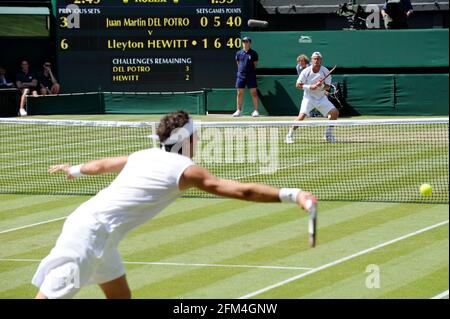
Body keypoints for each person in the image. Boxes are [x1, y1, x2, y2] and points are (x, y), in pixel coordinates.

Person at [32, 111, 317, 299]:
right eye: (196, 136)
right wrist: (293, 195)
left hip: (100, 234)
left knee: (121, 296)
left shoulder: (143, 155)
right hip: (89, 236)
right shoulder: (185, 170)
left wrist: (75, 169)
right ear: (187, 140)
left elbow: (102, 165)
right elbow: (240, 191)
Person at [285, 52, 340, 145]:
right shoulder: (306, 71)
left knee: (335, 113)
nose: (316, 60)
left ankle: (328, 134)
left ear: (321, 60)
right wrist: (310, 87)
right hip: (308, 98)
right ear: (311, 60)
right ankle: (289, 135)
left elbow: (328, 88)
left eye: (318, 59)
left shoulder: (325, 71)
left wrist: (321, 85)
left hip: (321, 98)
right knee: (301, 117)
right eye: (314, 58)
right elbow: (297, 85)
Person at [233, 37, 260, 118]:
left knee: (254, 93)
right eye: (243, 42)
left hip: (251, 75)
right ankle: (238, 110)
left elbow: (255, 65)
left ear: (249, 43)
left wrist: (250, 71)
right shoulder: (238, 53)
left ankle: (255, 111)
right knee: (239, 93)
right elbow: (238, 63)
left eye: (246, 41)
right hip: (241, 75)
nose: (245, 43)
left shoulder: (254, 53)